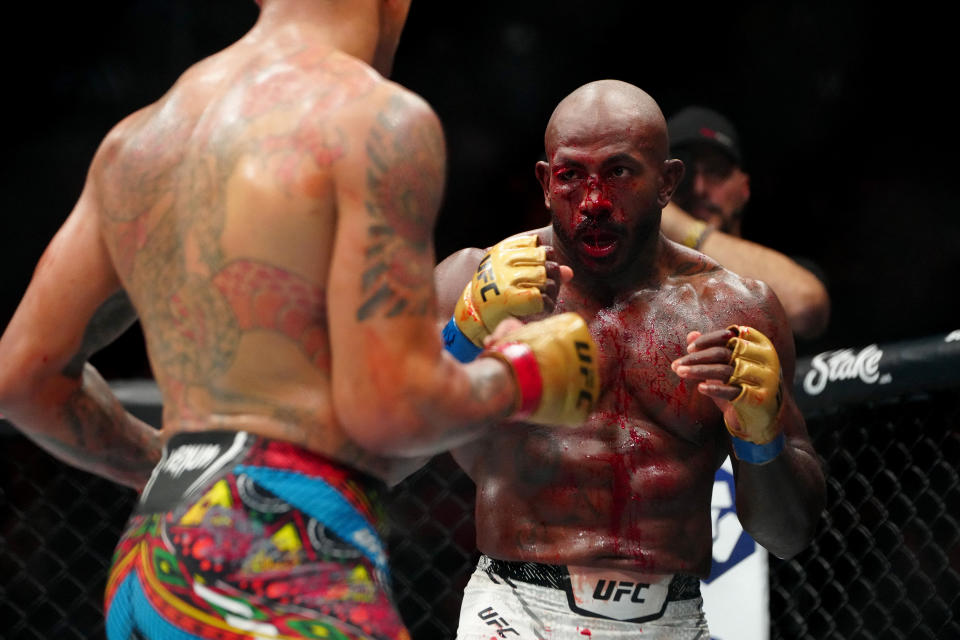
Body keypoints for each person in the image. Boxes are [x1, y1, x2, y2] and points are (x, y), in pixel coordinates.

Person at [0, 2, 599, 638]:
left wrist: (181, 471)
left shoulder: (140, 141)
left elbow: (22, 376)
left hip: (153, 558)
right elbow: (389, 407)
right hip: (278, 559)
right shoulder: (373, 119)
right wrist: (521, 374)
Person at [435, 80, 826, 638]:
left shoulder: (737, 311)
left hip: (676, 618)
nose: (593, 202)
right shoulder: (470, 280)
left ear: (667, 181)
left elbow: (790, 536)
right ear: (546, 182)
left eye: (618, 172)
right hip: (515, 612)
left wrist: (761, 441)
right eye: (572, 175)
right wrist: (462, 335)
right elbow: (381, 445)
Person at [660, 105, 831, 341]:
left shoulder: (785, 274)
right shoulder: (645, 292)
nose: (698, 188)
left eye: (716, 172)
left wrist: (677, 222)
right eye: (683, 175)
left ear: (744, 188)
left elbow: (805, 306)